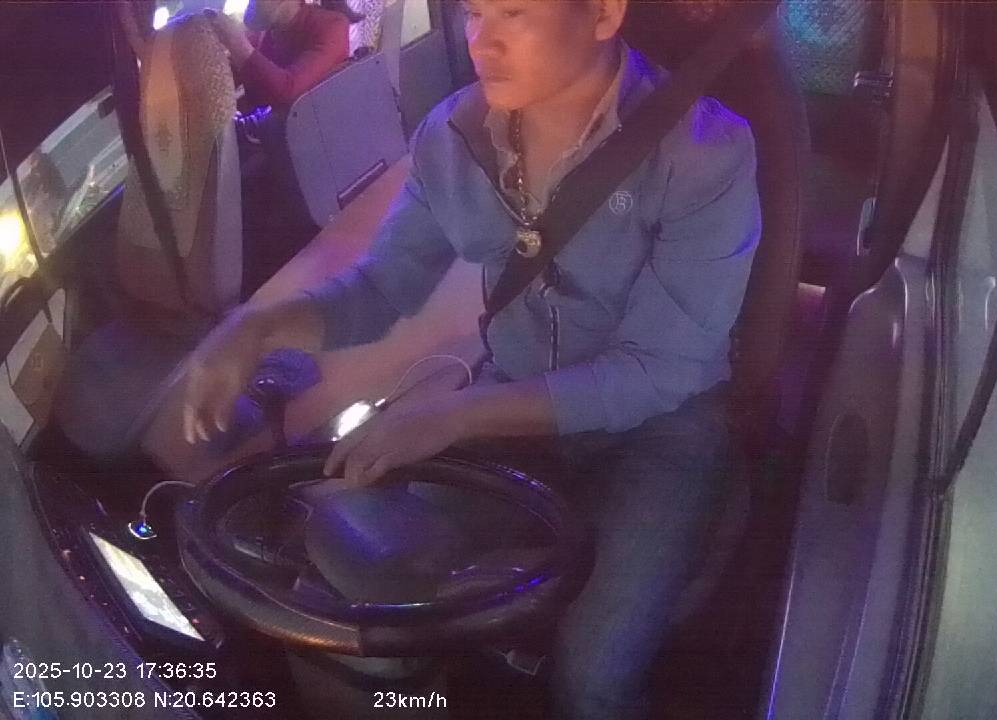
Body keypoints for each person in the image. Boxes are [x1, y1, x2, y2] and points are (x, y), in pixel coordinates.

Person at [182, 0, 761, 717]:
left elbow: (658, 370)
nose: (482, 39)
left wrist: (457, 415)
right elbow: (380, 289)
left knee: (592, 679)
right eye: (474, 12)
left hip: (661, 432)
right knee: (377, 589)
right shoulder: (453, 138)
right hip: (511, 396)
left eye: (512, 12)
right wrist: (255, 329)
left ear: (604, 14)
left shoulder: (703, 153)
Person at [205, 0, 363, 112]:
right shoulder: (265, 32)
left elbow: (288, 93)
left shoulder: (332, 25)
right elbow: (225, 80)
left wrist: (236, 42)